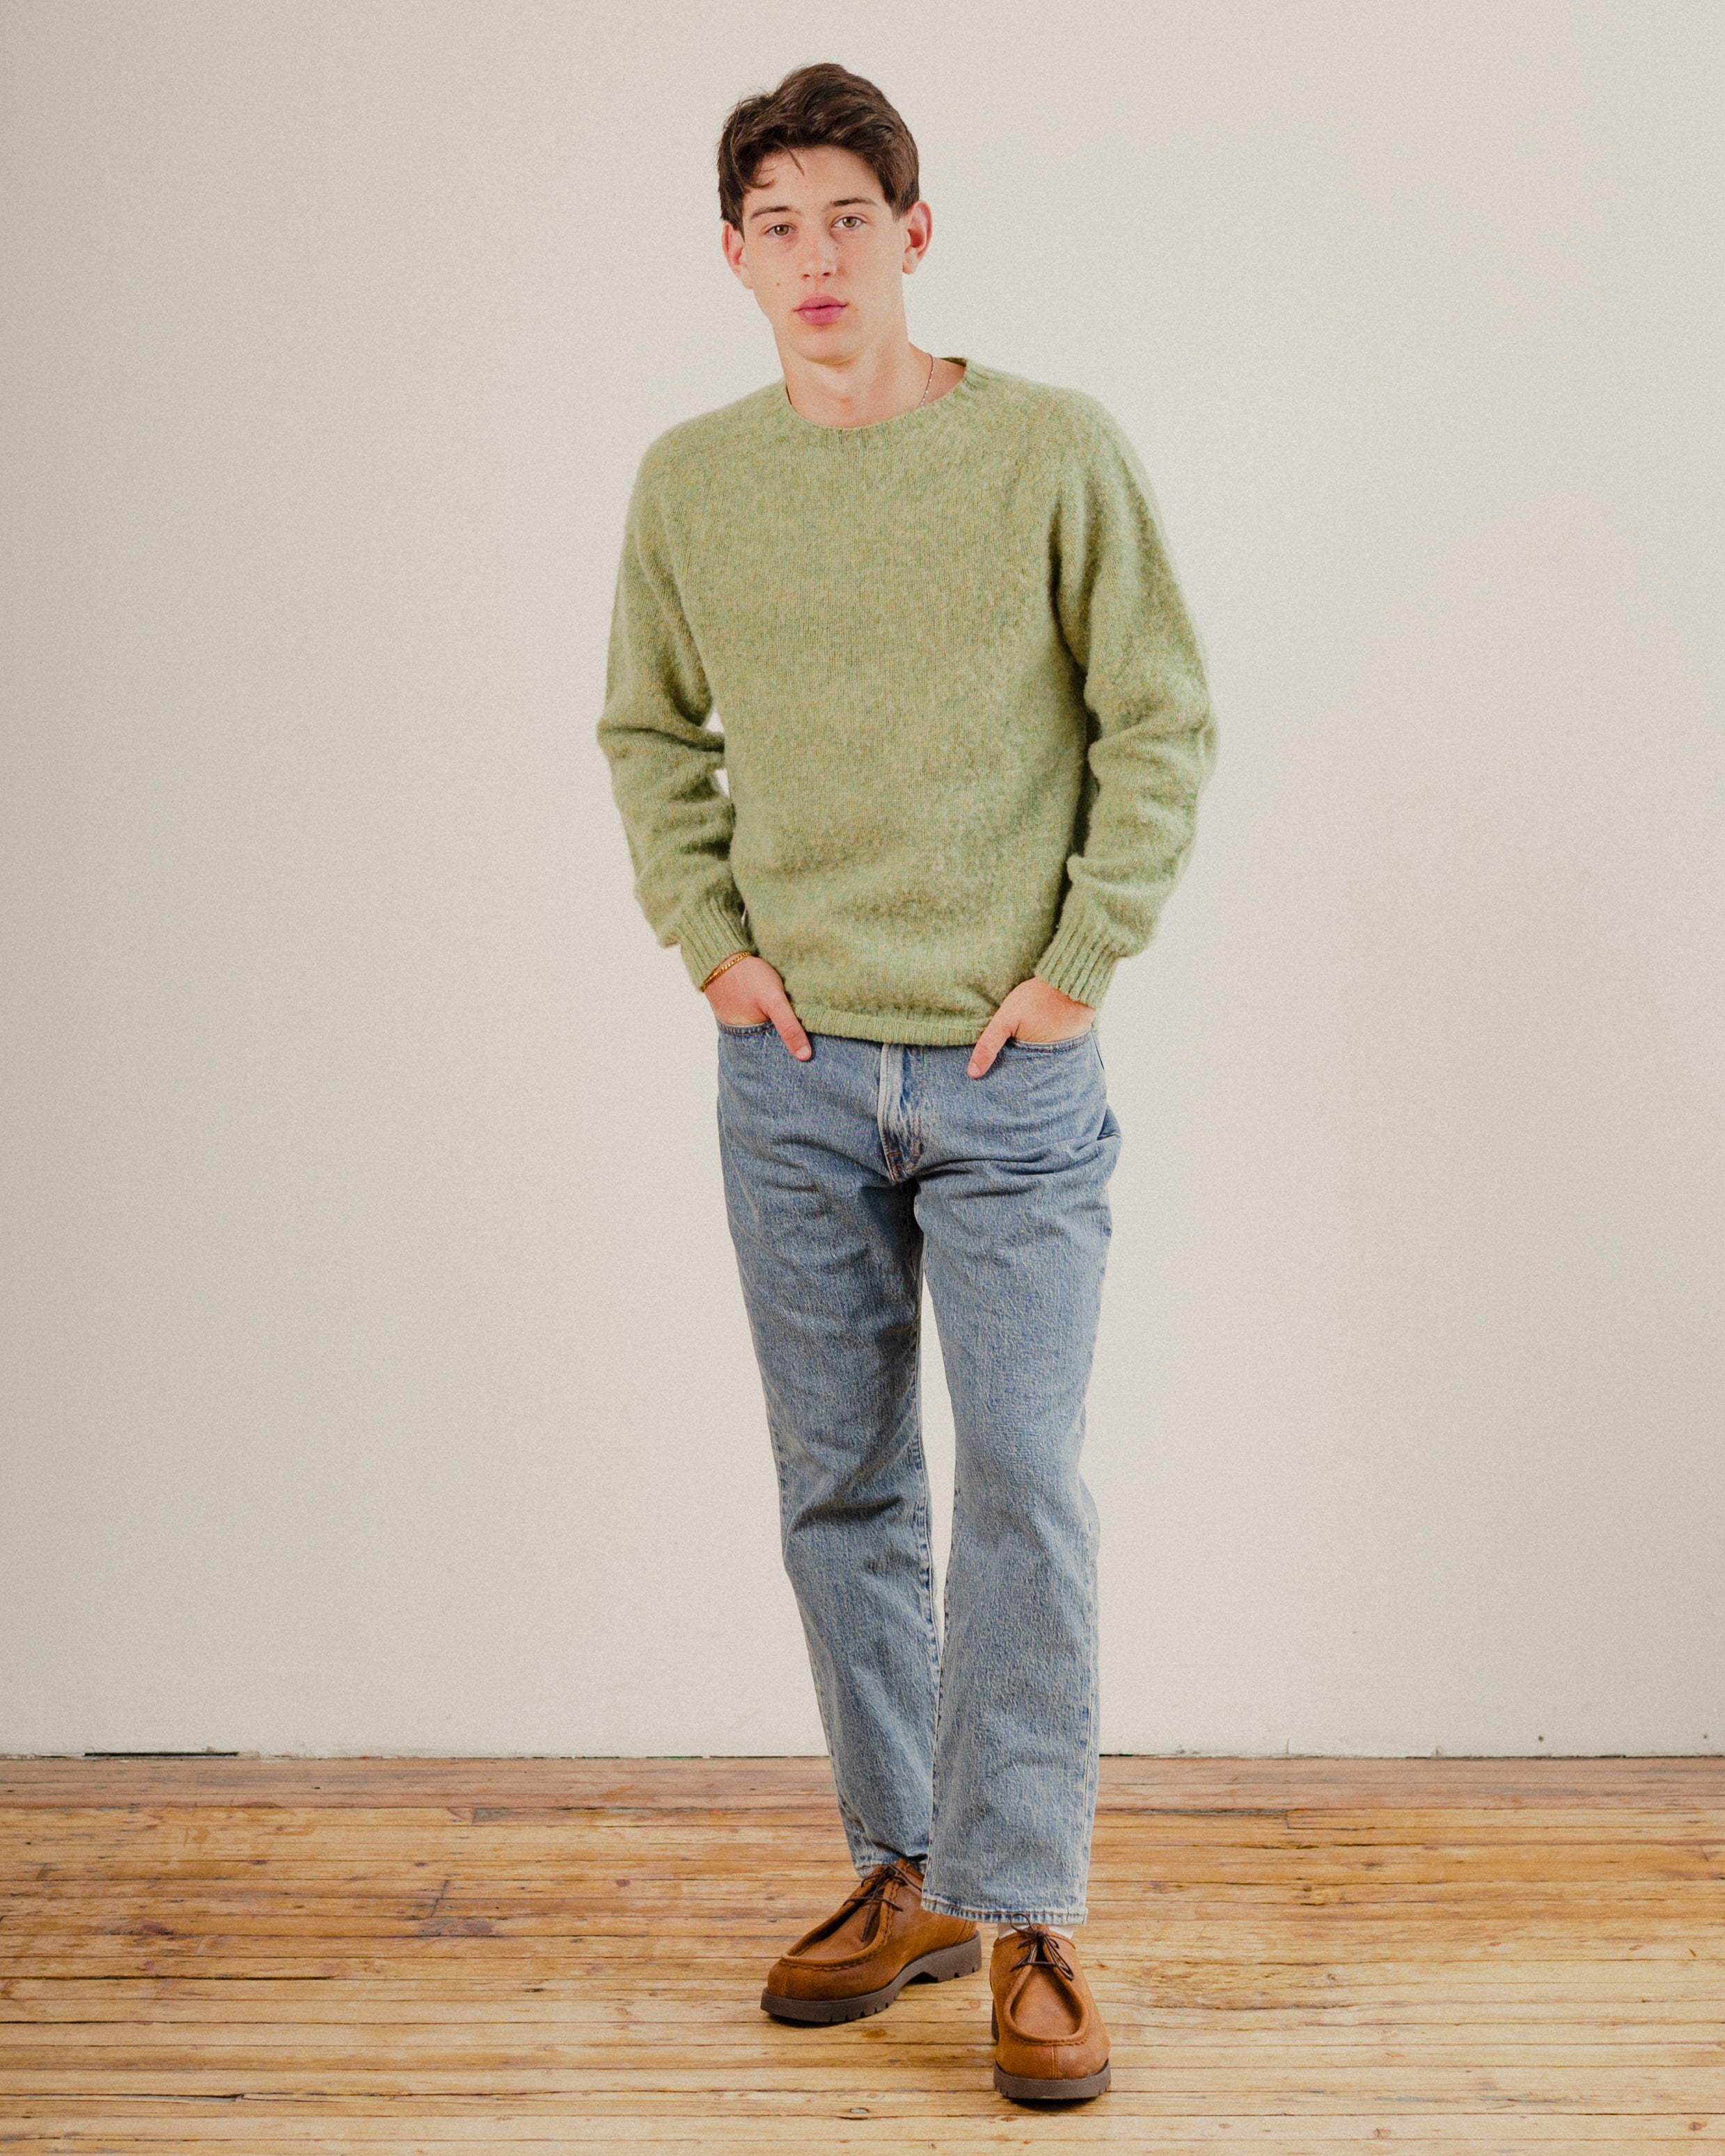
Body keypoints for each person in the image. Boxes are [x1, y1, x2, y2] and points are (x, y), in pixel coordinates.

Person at [596, 60, 1216, 2106]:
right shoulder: (695, 481)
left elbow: (1161, 718)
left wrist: (1076, 963)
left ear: (916, 234)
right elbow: (647, 733)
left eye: (849, 217)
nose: (815, 257)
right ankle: (909, 1867)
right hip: (788, 1075)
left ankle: (1034, 1911)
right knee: (841, 1487)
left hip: (1004, 1071)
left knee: (1022, 1481)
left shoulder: (1050, 451)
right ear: (733, 257)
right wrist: (712, 943)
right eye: (776, 224)